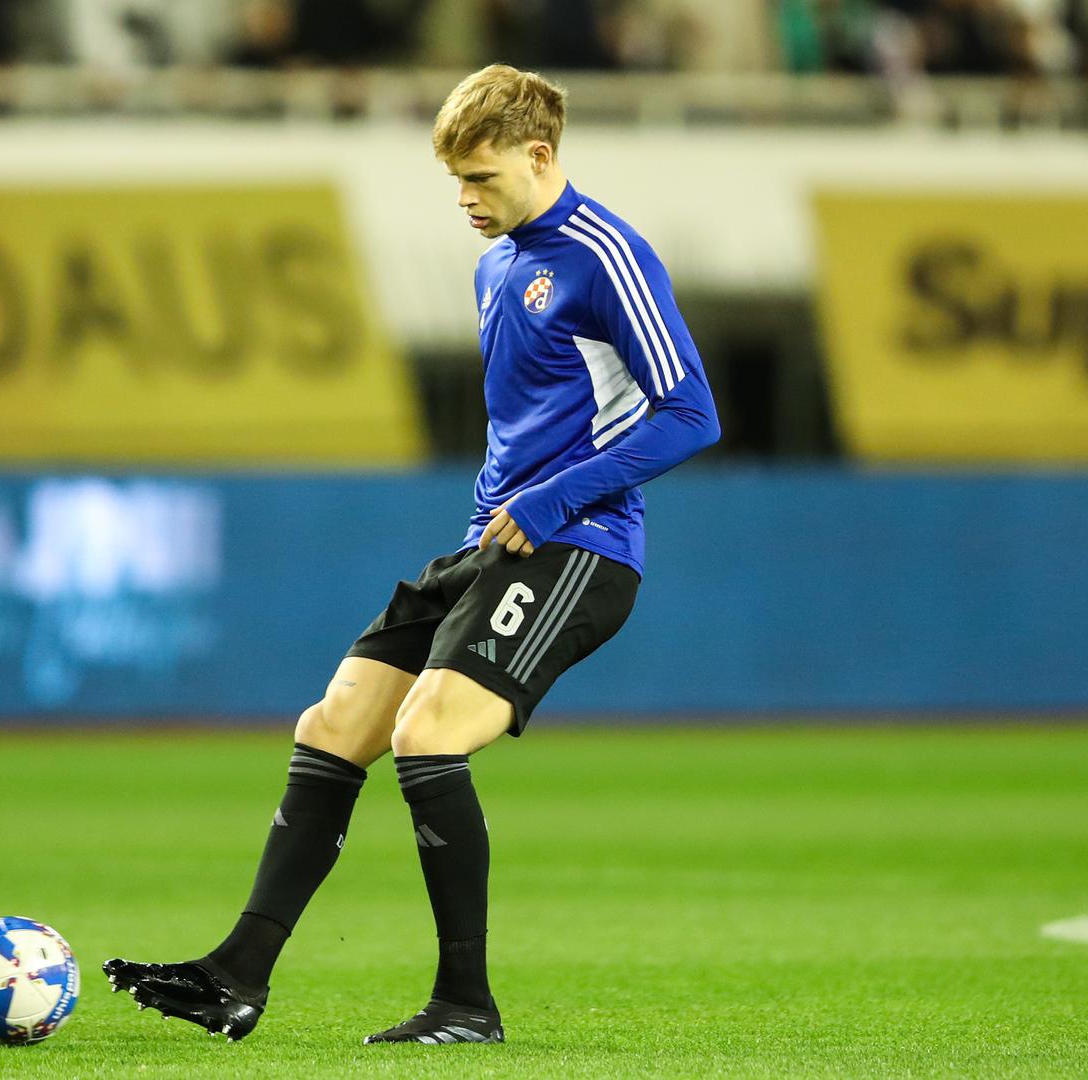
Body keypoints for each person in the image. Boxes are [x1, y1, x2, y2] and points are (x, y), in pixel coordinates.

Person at [103, 63, 721, 1046]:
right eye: (454, 184)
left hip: (580, 549)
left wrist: (556, 495)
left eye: (480, 178)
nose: (466, 201)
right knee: (337, 718)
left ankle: (464, 1005)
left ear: (539, 155)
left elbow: (691, 412)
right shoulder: (495, 265)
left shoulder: (606, 253)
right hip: (491, 545)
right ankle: (235, 975)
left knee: (426, 732)